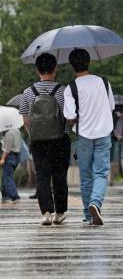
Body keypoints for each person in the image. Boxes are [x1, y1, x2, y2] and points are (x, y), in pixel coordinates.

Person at [63, 49, 115, 226]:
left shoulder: (70, 88)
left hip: (83, 135)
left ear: (72, 66)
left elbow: (70, 116)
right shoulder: (104, 82)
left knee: (86, 177)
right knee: (101, 173)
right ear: (89, 62)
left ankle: (87, 214)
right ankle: (96, 203)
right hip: (104, 132)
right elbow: (111, 106)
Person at [19, 53, 71, 225]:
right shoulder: (63, 91)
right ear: (55, 69)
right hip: (59, 140)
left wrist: (34, 133)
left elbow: (26, 119)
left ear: (37, 70)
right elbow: (68, 117)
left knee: (42, 175)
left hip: (38, 141)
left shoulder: (28, 92)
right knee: (59, 176)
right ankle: (60, 212)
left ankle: (46, 213)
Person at [1, 128, 22, 203]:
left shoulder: (8, 134)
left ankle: (14, 196)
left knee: (7, 177)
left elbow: (7, 149)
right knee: (5, 176)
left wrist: (3, 158)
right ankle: (5, 196)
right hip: (16, 155)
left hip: (10, 156)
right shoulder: (17, 130)